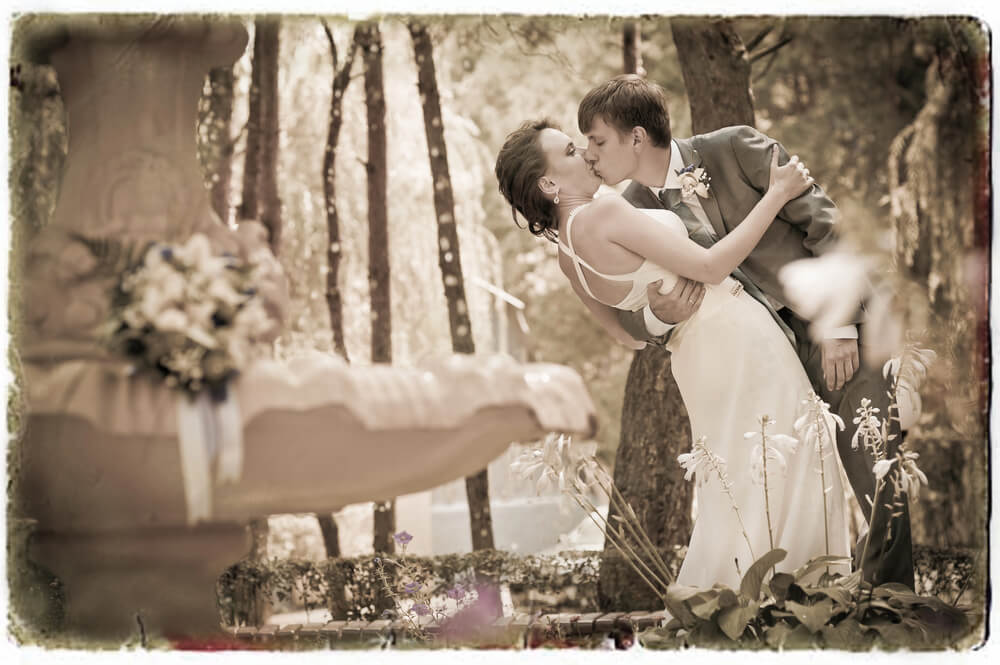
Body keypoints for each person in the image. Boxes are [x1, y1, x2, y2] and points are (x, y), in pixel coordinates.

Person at [576, 74, 912, 588]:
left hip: (837, 336)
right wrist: (659, 316)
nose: (591, 155)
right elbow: (628, 313)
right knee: (798, 491)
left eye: (597, 140)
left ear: (636, 137)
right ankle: (820, 603)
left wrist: (841, 323)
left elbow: (825, 222)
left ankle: (896, 611)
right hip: (762, 367)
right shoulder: (632, 209)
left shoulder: (734, 147)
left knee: (876, 471)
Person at [495, 119, 849, 589]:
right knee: (799, 456)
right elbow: (712, 265)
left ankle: (743, 602)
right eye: (568, 151)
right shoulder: (602, 216)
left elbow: (631, 338)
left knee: (739, 483)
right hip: (736, 337)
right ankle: (799, 599)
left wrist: (662, 316)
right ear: (548, 182)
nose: (585, 152)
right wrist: (777, 194)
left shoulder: (566, 254)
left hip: (695, 360)